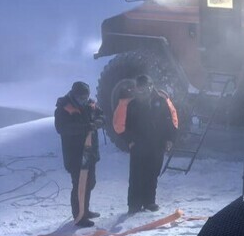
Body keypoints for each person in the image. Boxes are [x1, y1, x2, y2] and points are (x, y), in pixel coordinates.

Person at [114, 74, 178, 214]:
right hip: (138, 144)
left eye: (146, 87)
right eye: (140, 88)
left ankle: (149, 201)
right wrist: (130, 140)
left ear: (151, 86)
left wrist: (170, 139)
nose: (143, 90)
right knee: (136, 174)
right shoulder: (130, 102)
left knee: (153, 173)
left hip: (157, 143)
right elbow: (120, 125)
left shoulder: (161, 100)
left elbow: (171, 121)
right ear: (136, 88)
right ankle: (134, 204)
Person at [54, 81, 104, 227]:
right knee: (79, 185)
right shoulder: (63, 108)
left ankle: (85, 210)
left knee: (90, 183)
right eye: (81, 98)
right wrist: (84, 128)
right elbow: (62, 128)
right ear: (74, 95)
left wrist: (98, 122)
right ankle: (79, 216)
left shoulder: (90, 104)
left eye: (86, 97)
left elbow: (102, 116)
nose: (84, 100)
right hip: (75, 154)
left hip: (90, 152)